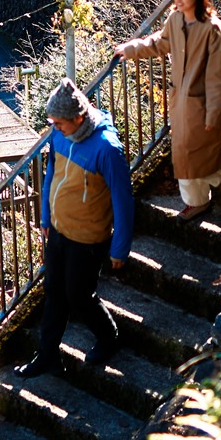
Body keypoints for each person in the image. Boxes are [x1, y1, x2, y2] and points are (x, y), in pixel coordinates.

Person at [114, 0, 221, 220]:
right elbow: (159, 43)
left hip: (204, 105)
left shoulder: (212, 30)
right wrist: (131, 49)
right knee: (187, 155)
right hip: (181, 102)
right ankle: (198, 200)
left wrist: (215, 114)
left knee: (201, 155)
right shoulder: (175, 19)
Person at [19, 79, 132, 377]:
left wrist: (120, 248)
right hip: (58, 230)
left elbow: (123, 201)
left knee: (78, 296)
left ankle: (109, 337)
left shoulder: (107, 149)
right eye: (52, 122)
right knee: (54, 291)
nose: (54, 128)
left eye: (59, 123)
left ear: (78, 118)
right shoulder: (59, 137)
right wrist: (45, 218)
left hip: (89, 238)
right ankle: (46, 355)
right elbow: (51, 177)